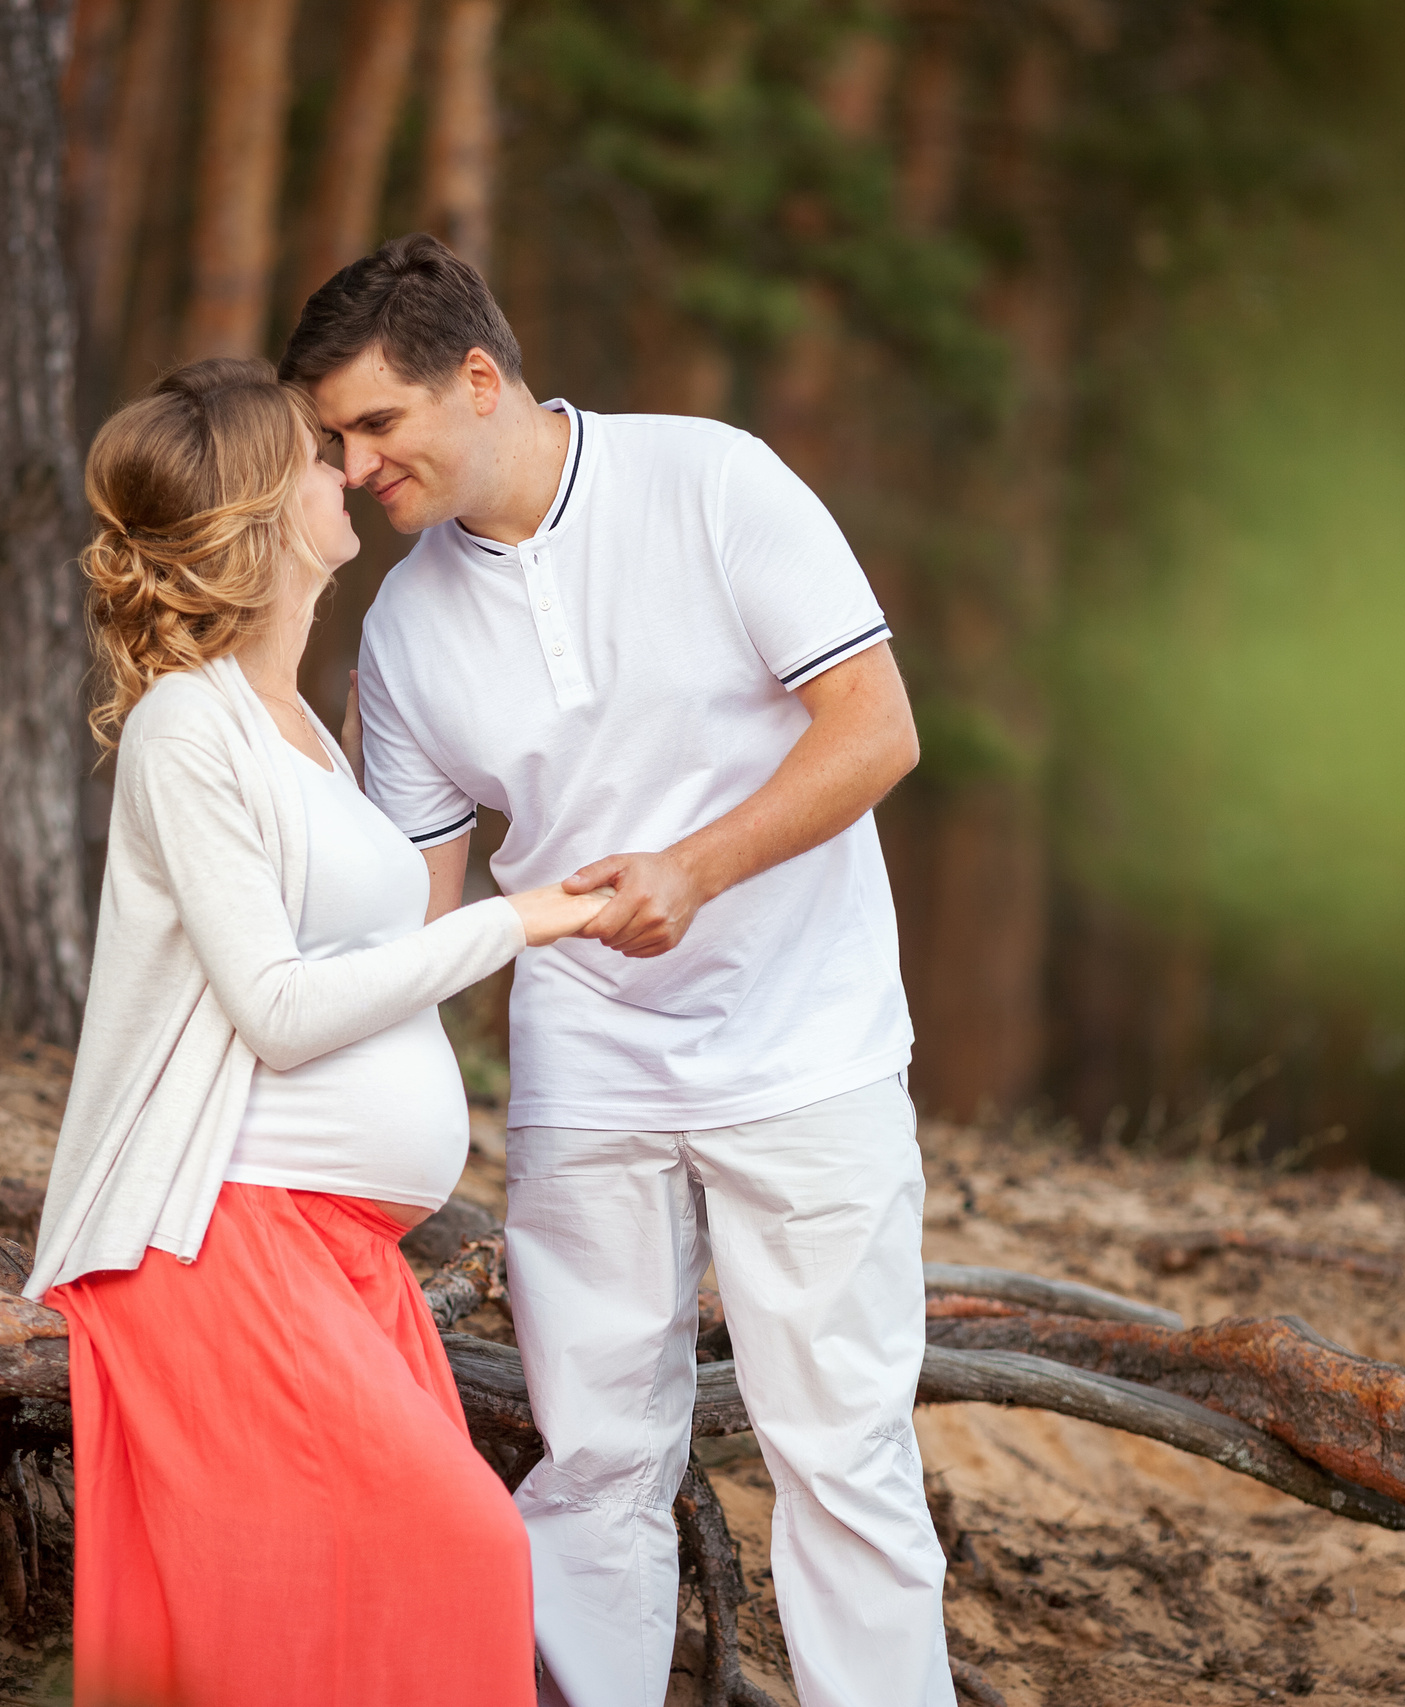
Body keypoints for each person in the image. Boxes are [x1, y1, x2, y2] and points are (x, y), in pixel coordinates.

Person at [281, 235, 952, 1707]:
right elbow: (419, 923)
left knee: (842, 1451)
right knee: (592, 1458)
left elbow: (878, 730)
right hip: (585, 1056)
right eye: (335, 441)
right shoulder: (401, 631)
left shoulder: (712, 481)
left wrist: (694, 869)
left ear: (478, 379)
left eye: (376, 424)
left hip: (810, 1040)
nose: (354, 467)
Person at [19, 356, 605, 1707]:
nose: (347, 471)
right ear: (264, 510)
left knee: (374, 1607)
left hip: (342, 1259)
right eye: (315, 456)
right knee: (453, 1557)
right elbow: (277, 1012)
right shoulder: (187, 728)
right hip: (227, 1240)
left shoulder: (305, 735)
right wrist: (517, 923)